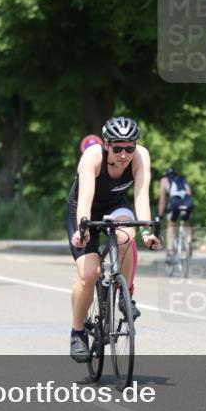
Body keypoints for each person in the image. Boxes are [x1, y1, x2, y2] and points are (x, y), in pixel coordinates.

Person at [67, 116, 161, 363]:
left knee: (126, 235)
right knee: (89, 275)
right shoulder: (92, 156)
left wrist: (147, 232)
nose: (124, 154)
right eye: (118, 148)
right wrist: (83, 229)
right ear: (106, 144)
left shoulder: (141, 156)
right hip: (85, 209)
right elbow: (85, 198)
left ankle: (124, 294)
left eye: (129, 148)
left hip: (116, 205)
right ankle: (77, 332)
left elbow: (141, 196)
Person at [157, 167, 194, 262]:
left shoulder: (164, 180)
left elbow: (162, 200)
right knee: (186, 222)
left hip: (175, 201)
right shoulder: (183, 179)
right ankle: (189, 243)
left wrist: (160, 215)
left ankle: (170, 251)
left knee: (171, 226)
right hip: (188, 201)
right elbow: (189, 192)